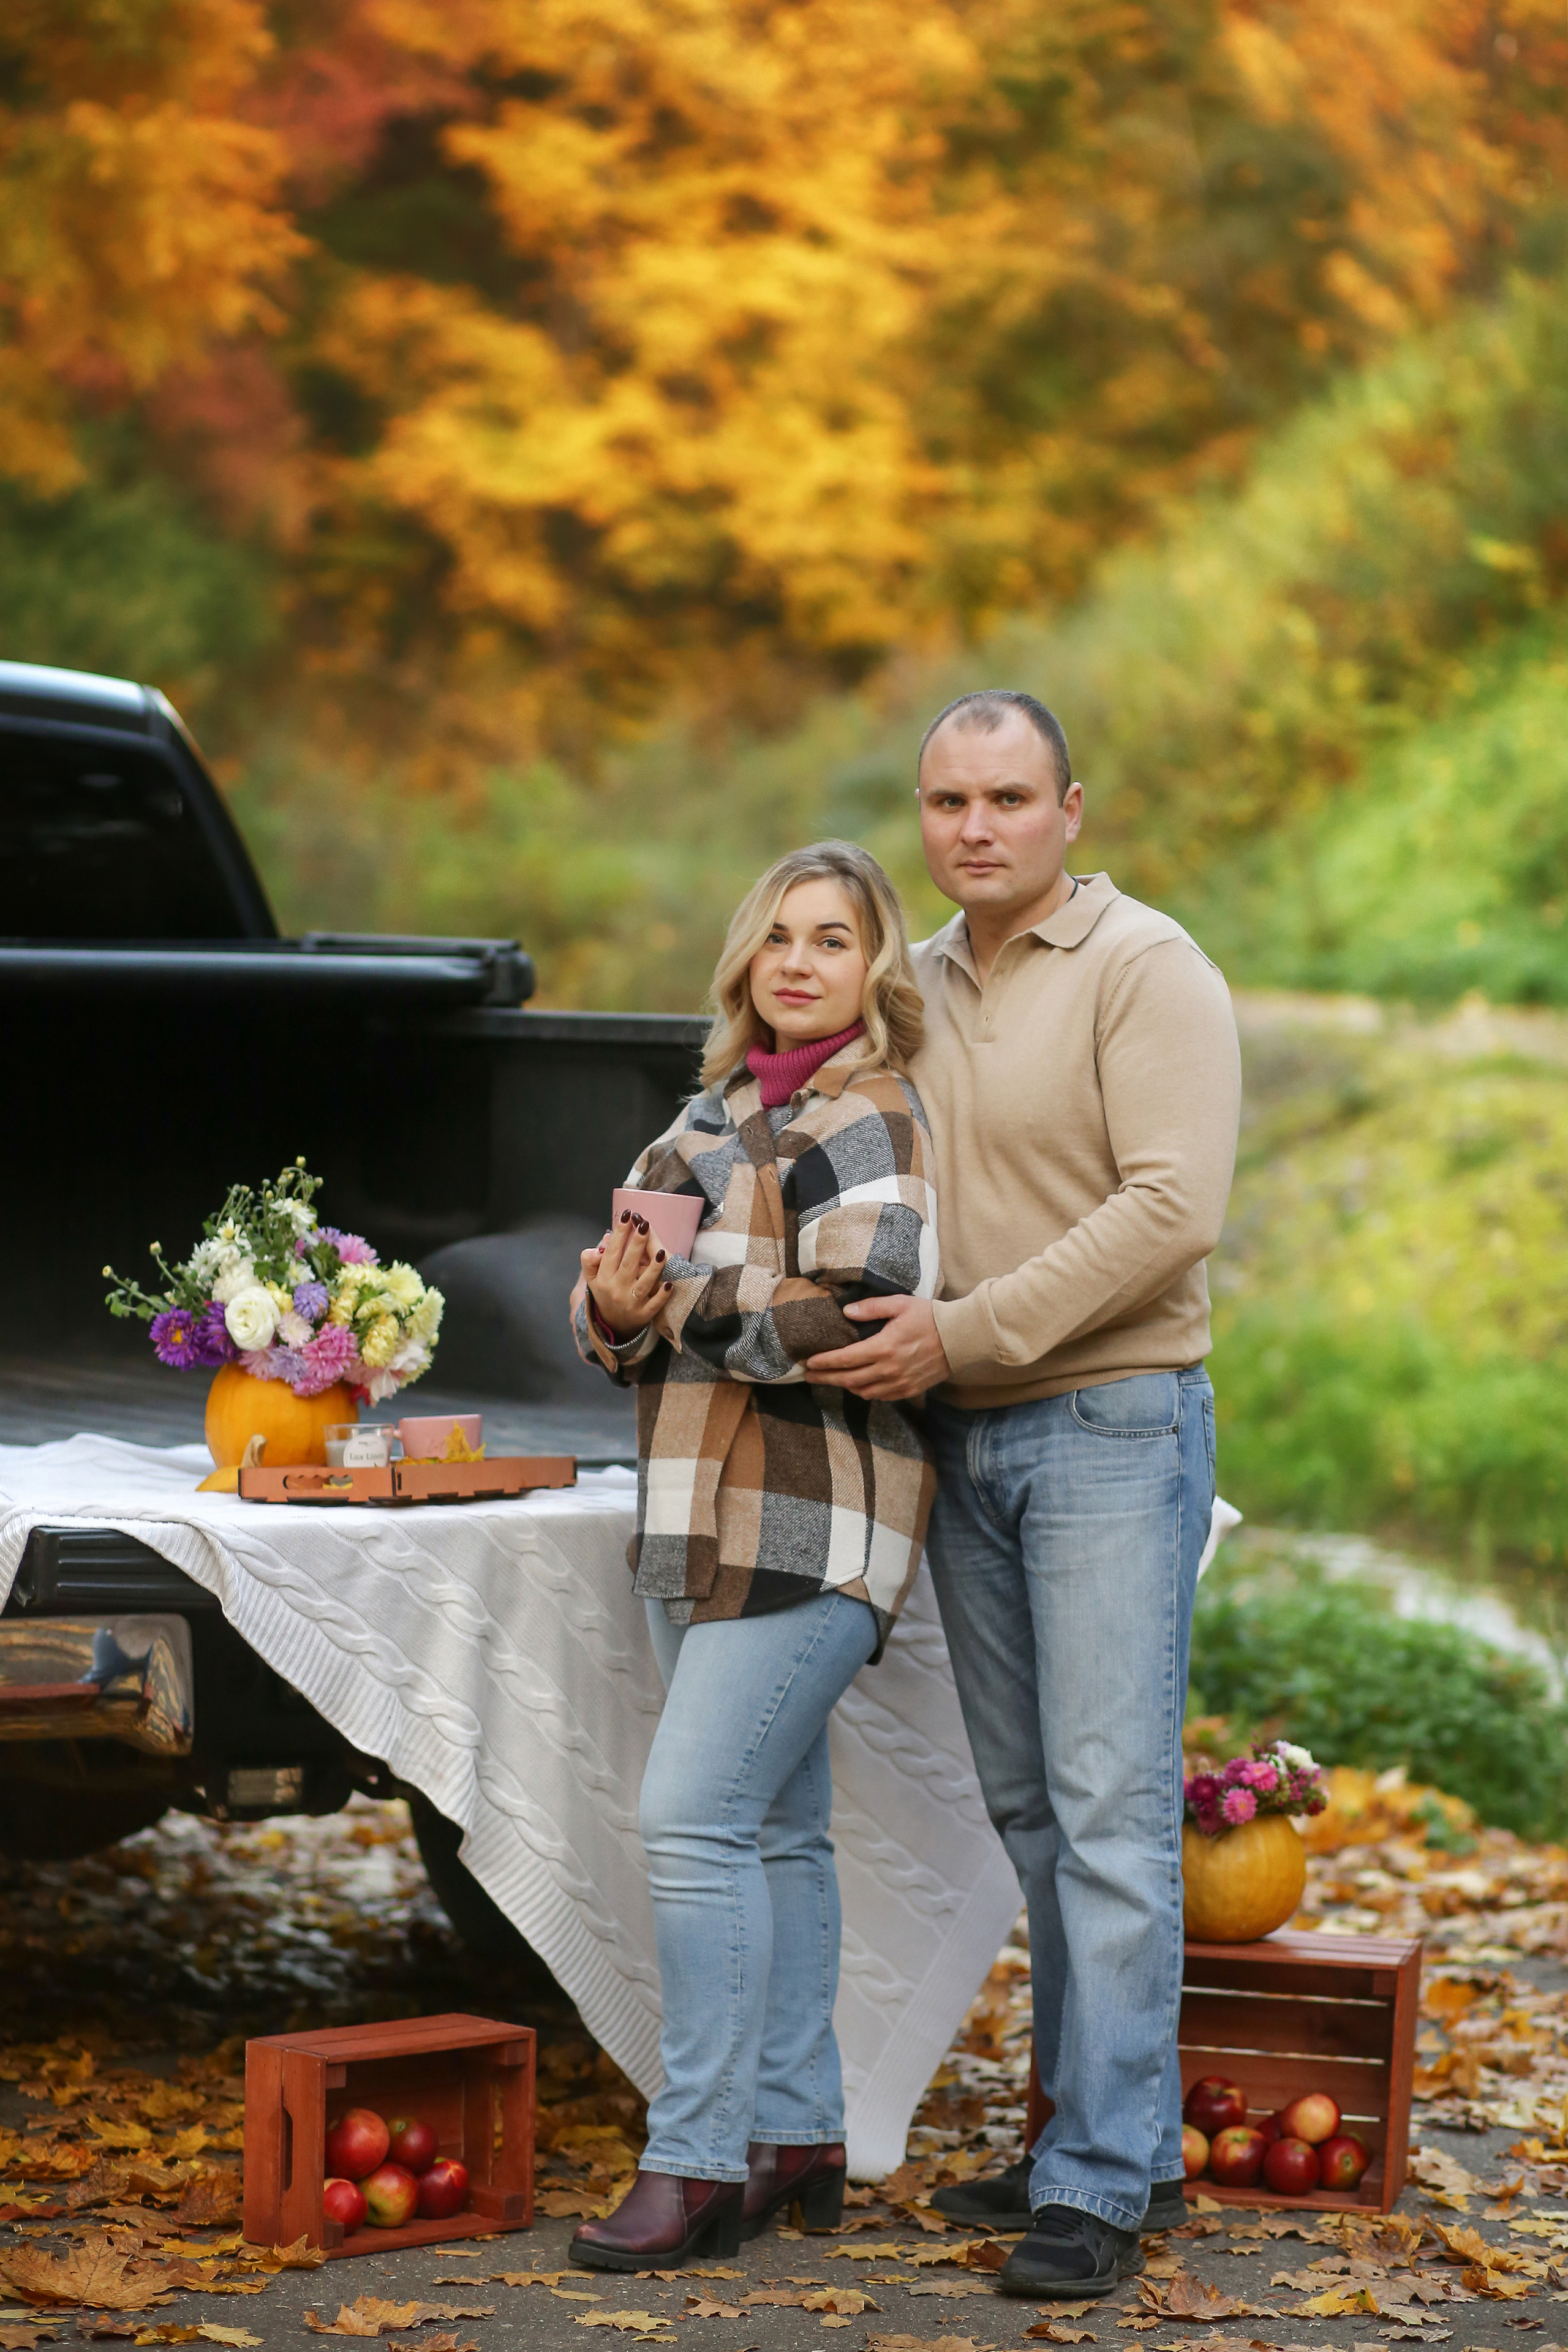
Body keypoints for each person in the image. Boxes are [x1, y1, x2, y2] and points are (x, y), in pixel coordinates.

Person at [805, 692, 1241, 2299]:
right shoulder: (906, 989)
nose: (972, 826)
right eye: (944, 801)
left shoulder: (1147, 969)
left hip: (1112, 1427)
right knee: (1039, 1818)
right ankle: (1104, 2135)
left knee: (1114, 1814)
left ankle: (1105, 2179)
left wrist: (965, 1334)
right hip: (960, 1441)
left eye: (1005, 797)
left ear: (1073, 809)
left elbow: (1174, 1208)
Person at [565, 840, 940, 2272]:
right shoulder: (695, 1128)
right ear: (746, 962)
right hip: (686, 1521)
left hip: (817, 1518)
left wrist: (672, 1304)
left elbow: (852, 1316)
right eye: (778, 936)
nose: (799, 961)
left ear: (871, 969)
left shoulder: (874, 1119)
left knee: (689, 1821)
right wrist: (611, 1307)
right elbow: (614, 1310)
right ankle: (796, 2132)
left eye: (832, 940)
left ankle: (698, 2157)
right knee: (770, 1829)